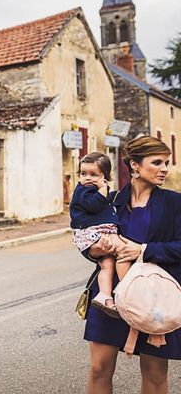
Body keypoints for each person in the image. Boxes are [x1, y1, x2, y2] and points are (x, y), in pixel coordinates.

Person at [84, 136, 181, 394]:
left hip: (155, 297)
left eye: (167, 163)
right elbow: (87, 236)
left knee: (155, 373)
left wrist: (145, 250)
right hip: (110, 298)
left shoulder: (175, 203)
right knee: (99, 368)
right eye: (157, 162)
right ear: (135, 166)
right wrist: (94, 249)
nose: (164, 169)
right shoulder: (110, 201)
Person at [70, 152, 127, 318]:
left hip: (96, 232)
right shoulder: (83, 190)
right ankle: (127, 289)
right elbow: (93, 205)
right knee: (123, 251)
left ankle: (105, 296)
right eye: (83, 174)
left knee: (107, 264)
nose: (87, 178)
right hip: (92, 233)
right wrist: (102, 189)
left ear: (105, 175)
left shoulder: (97, 189)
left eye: (93, 174)